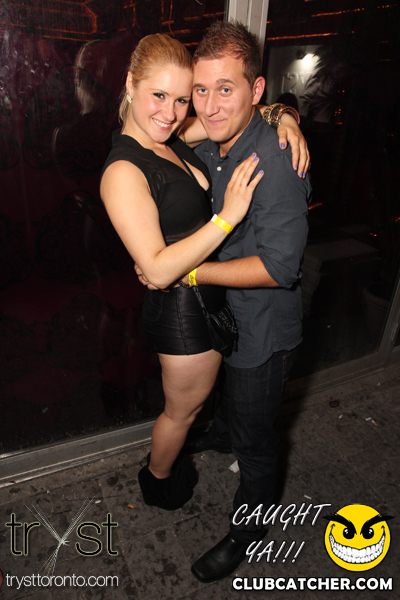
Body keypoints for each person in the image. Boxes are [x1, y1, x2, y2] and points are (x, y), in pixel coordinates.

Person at [100, 33, 307, 512]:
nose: (173, 112)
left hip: (219, 303)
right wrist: (226, 218)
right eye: (160, 95)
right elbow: (157, 270)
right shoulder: (126, 168)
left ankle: (229, 488)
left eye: (180, 98)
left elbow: (236, 113)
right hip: (184, 311)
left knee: (218, 417)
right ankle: (160, 482)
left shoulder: (170, 137)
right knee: (183, 411)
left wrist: (284, 115)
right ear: (130, 84)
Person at [155, 20, 311, 582]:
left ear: (256, 89)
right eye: (202, 89)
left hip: (263, 331)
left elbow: (279, 267)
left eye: (227, 88)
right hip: (226, 315)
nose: (211, 105)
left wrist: (191, 272)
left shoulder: (275, 161)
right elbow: (164, 129)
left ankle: (249, 530)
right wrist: (284, 111)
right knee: (229, 407)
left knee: (257, 440)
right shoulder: (220, 139)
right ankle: (222, 431)